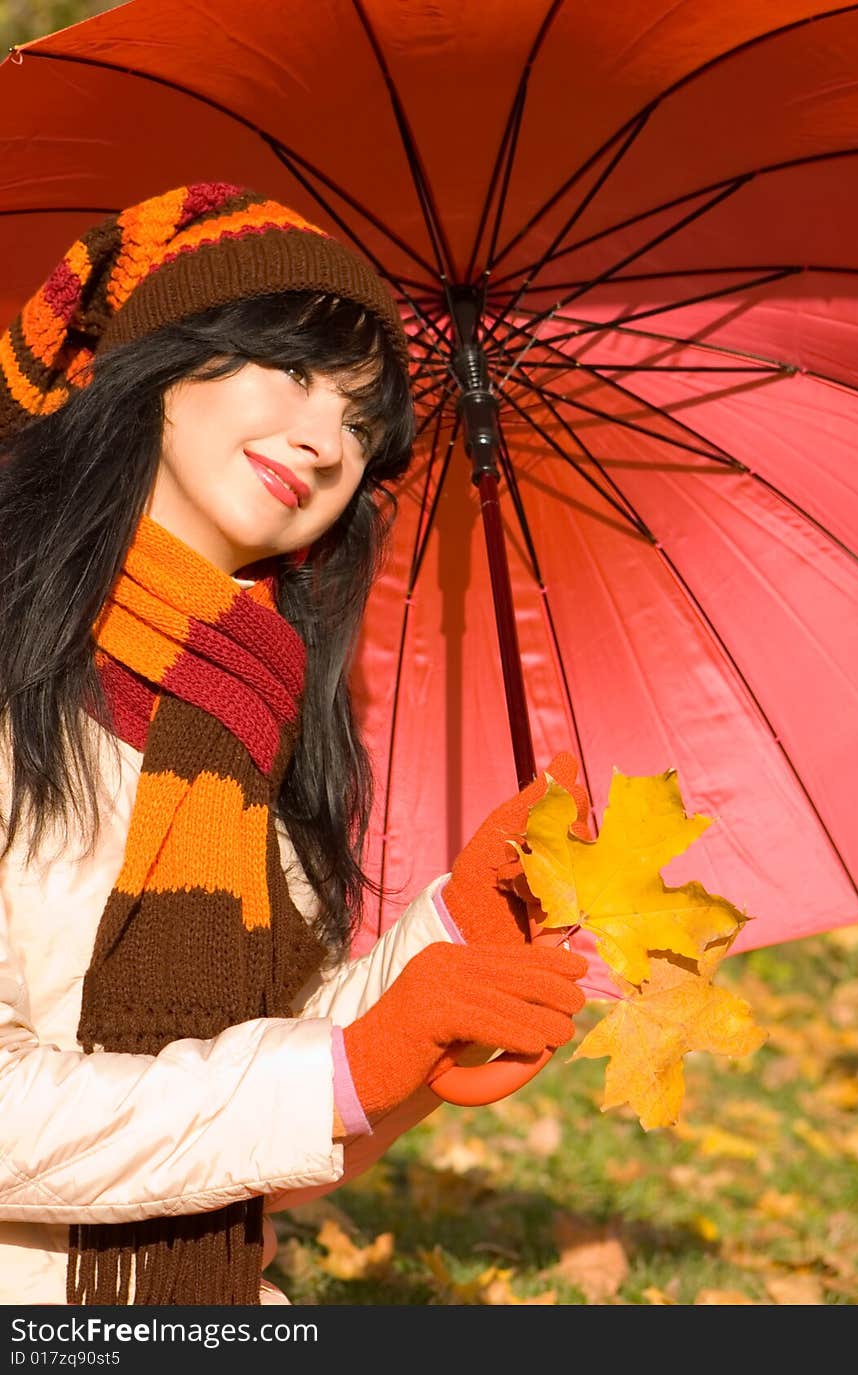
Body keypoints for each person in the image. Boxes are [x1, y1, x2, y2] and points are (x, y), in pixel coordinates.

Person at [0, 182, 591, 1307]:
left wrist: (450, 949)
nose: (328, 442)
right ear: (165, 356)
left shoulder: (262, 715)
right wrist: (344, 1074)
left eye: (365, 426)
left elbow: (268, 1159)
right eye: (298, 370)